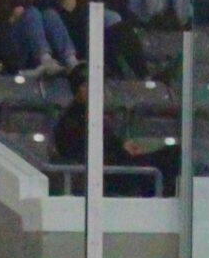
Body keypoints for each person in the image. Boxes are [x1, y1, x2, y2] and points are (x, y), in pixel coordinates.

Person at [51, 80, 179, 194]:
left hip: (119, 163)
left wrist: (123, 146)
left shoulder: (90, 114)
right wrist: (122, 151)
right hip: (111, 172)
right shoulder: (71, 121)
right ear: (79, 90)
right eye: (87, 85)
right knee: (168, 159)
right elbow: (86, 152)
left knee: (174, 153)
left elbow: (109, 143)